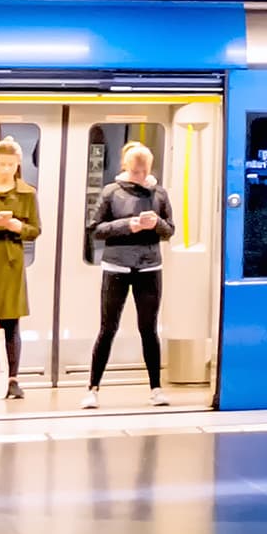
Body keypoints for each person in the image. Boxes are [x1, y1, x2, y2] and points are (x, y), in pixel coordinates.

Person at [84, 141, 170, 408]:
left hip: (149, 266)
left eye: (144, 171)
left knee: (149, 329)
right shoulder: (111, 192)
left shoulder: (159, 194)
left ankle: (156, 388)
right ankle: (93, 388)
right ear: (125, 167)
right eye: (135, 171)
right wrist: (127, 225)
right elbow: (95, 228)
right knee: (108, 327)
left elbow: (169, 230)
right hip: (116, 267)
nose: (140, 176)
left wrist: (157, 224)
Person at [0, 139, 39, 403]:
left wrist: (18, 227)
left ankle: (12, 379)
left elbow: (35, 229)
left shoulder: (27, 194)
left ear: (18, 165)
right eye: (2, 164)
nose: (6, 169)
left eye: (11, 165)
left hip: (10, 263)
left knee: (11, 323)